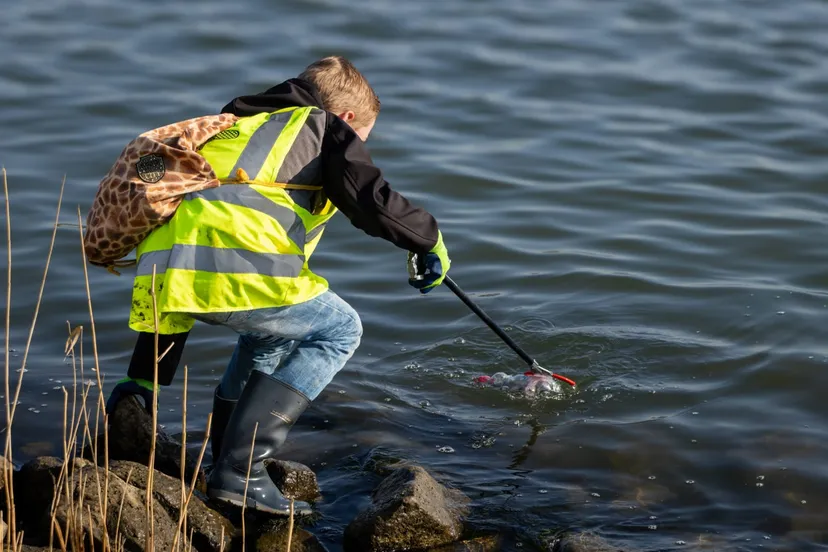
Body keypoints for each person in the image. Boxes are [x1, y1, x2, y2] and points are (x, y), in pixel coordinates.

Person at [102, 56, 450, 515]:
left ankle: (189, 438)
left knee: (267, 337)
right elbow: (369, 197)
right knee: (340, 330)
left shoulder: (227, 128)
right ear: (347, 118)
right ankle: (241, 471)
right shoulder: (322, 126)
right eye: (365, 134)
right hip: (233, 262)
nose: (362, 144)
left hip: (163, 267)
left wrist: (141, 379)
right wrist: (428, 238)